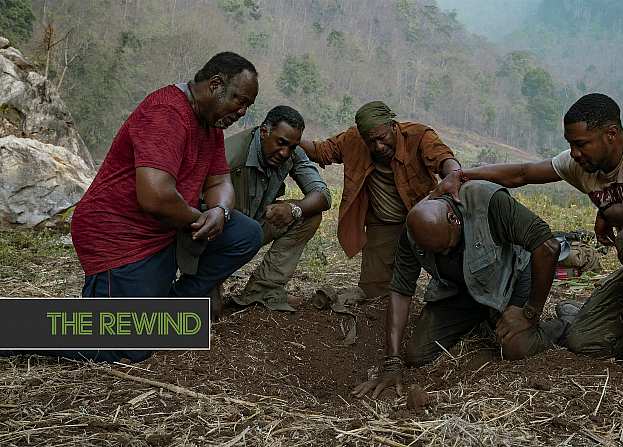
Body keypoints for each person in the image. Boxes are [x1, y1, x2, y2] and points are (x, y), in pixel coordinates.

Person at [432, 93, 623, 386]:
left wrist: (610, 213)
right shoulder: (583, 164)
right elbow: (522, 173)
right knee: (583, 339)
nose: (574, 152)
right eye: (570, 144)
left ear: (611, 134)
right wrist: (462, 175)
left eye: (581, 144)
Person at [57, 52, 262, 363]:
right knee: (127, 347)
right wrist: (199, 219)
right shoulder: (166, 113)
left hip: (165, 230)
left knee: (245, 234)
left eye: (248, 105)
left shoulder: (211, 125)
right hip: (118, 234)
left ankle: (170, 308)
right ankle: (15, 328)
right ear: (216, 84)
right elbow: (155, 197)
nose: (243, 111)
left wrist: (218, 212)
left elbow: (220, 183)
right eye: (239, 100)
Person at [353, 180, 563, 398]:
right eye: (435, 252)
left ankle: (563, 324)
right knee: (417, 355)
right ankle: (484, 316)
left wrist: (529, 312)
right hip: (461, 291)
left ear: (453, 219)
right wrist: (392, 364)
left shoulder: (488, 201)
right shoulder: (414, 232)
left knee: (515, 347)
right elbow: (401, 290)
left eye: (446, 247)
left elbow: (548, 247)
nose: (444, 256)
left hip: (510, 282)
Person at [300, 101, 462, 299]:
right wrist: (292, 138)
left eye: (383, 138)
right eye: (371, 142)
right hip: (383, 224)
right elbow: (321, 151)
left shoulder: (419, 136)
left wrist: (454, 175)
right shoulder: (353, 139)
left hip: (423, 219)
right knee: (373, 291)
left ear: (393, 126)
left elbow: (443, 158)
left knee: (451, 276)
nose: (378, 146)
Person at [222, 105, 331, 312]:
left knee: (309, 214)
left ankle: (263, 290)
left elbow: (323, 195)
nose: (284, 152)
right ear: (264, 132)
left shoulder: (291, 152)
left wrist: (294, 209)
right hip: (222, 233)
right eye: (281, 143)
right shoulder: (231, 157)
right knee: (207, 307)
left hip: (255, 226)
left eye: (292, 146)